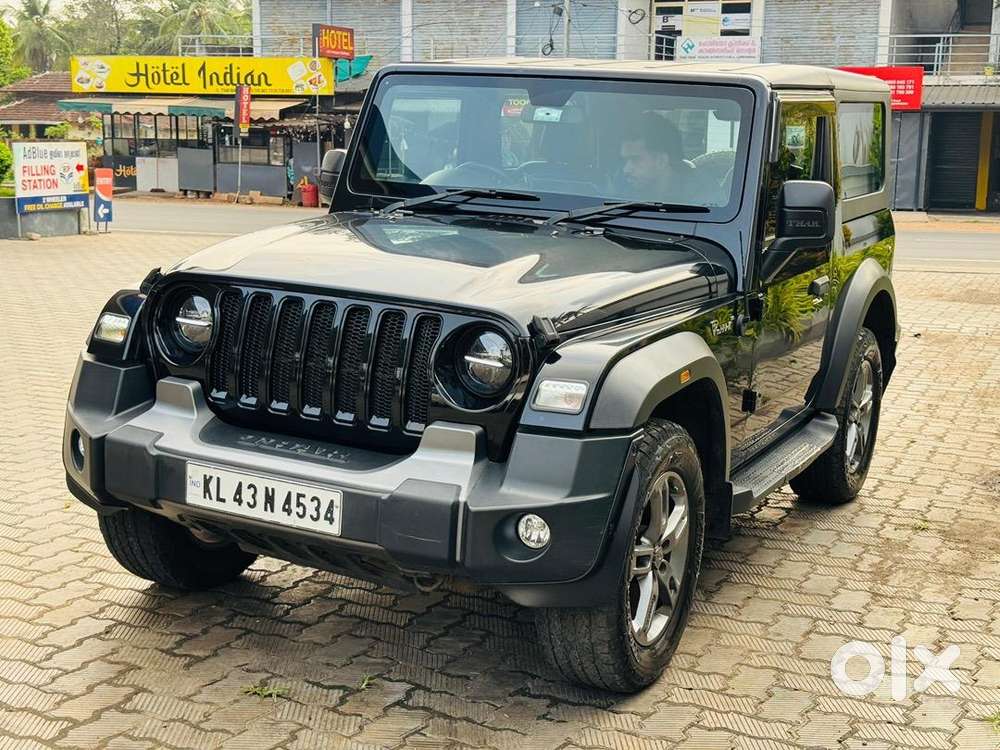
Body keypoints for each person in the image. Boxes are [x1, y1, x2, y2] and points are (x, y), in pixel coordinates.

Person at [617, 112, 713, 205]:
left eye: (635, 160)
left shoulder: (704, 198)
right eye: (625, 161)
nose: (626, 169)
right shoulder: (622, 191)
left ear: (661, 161)